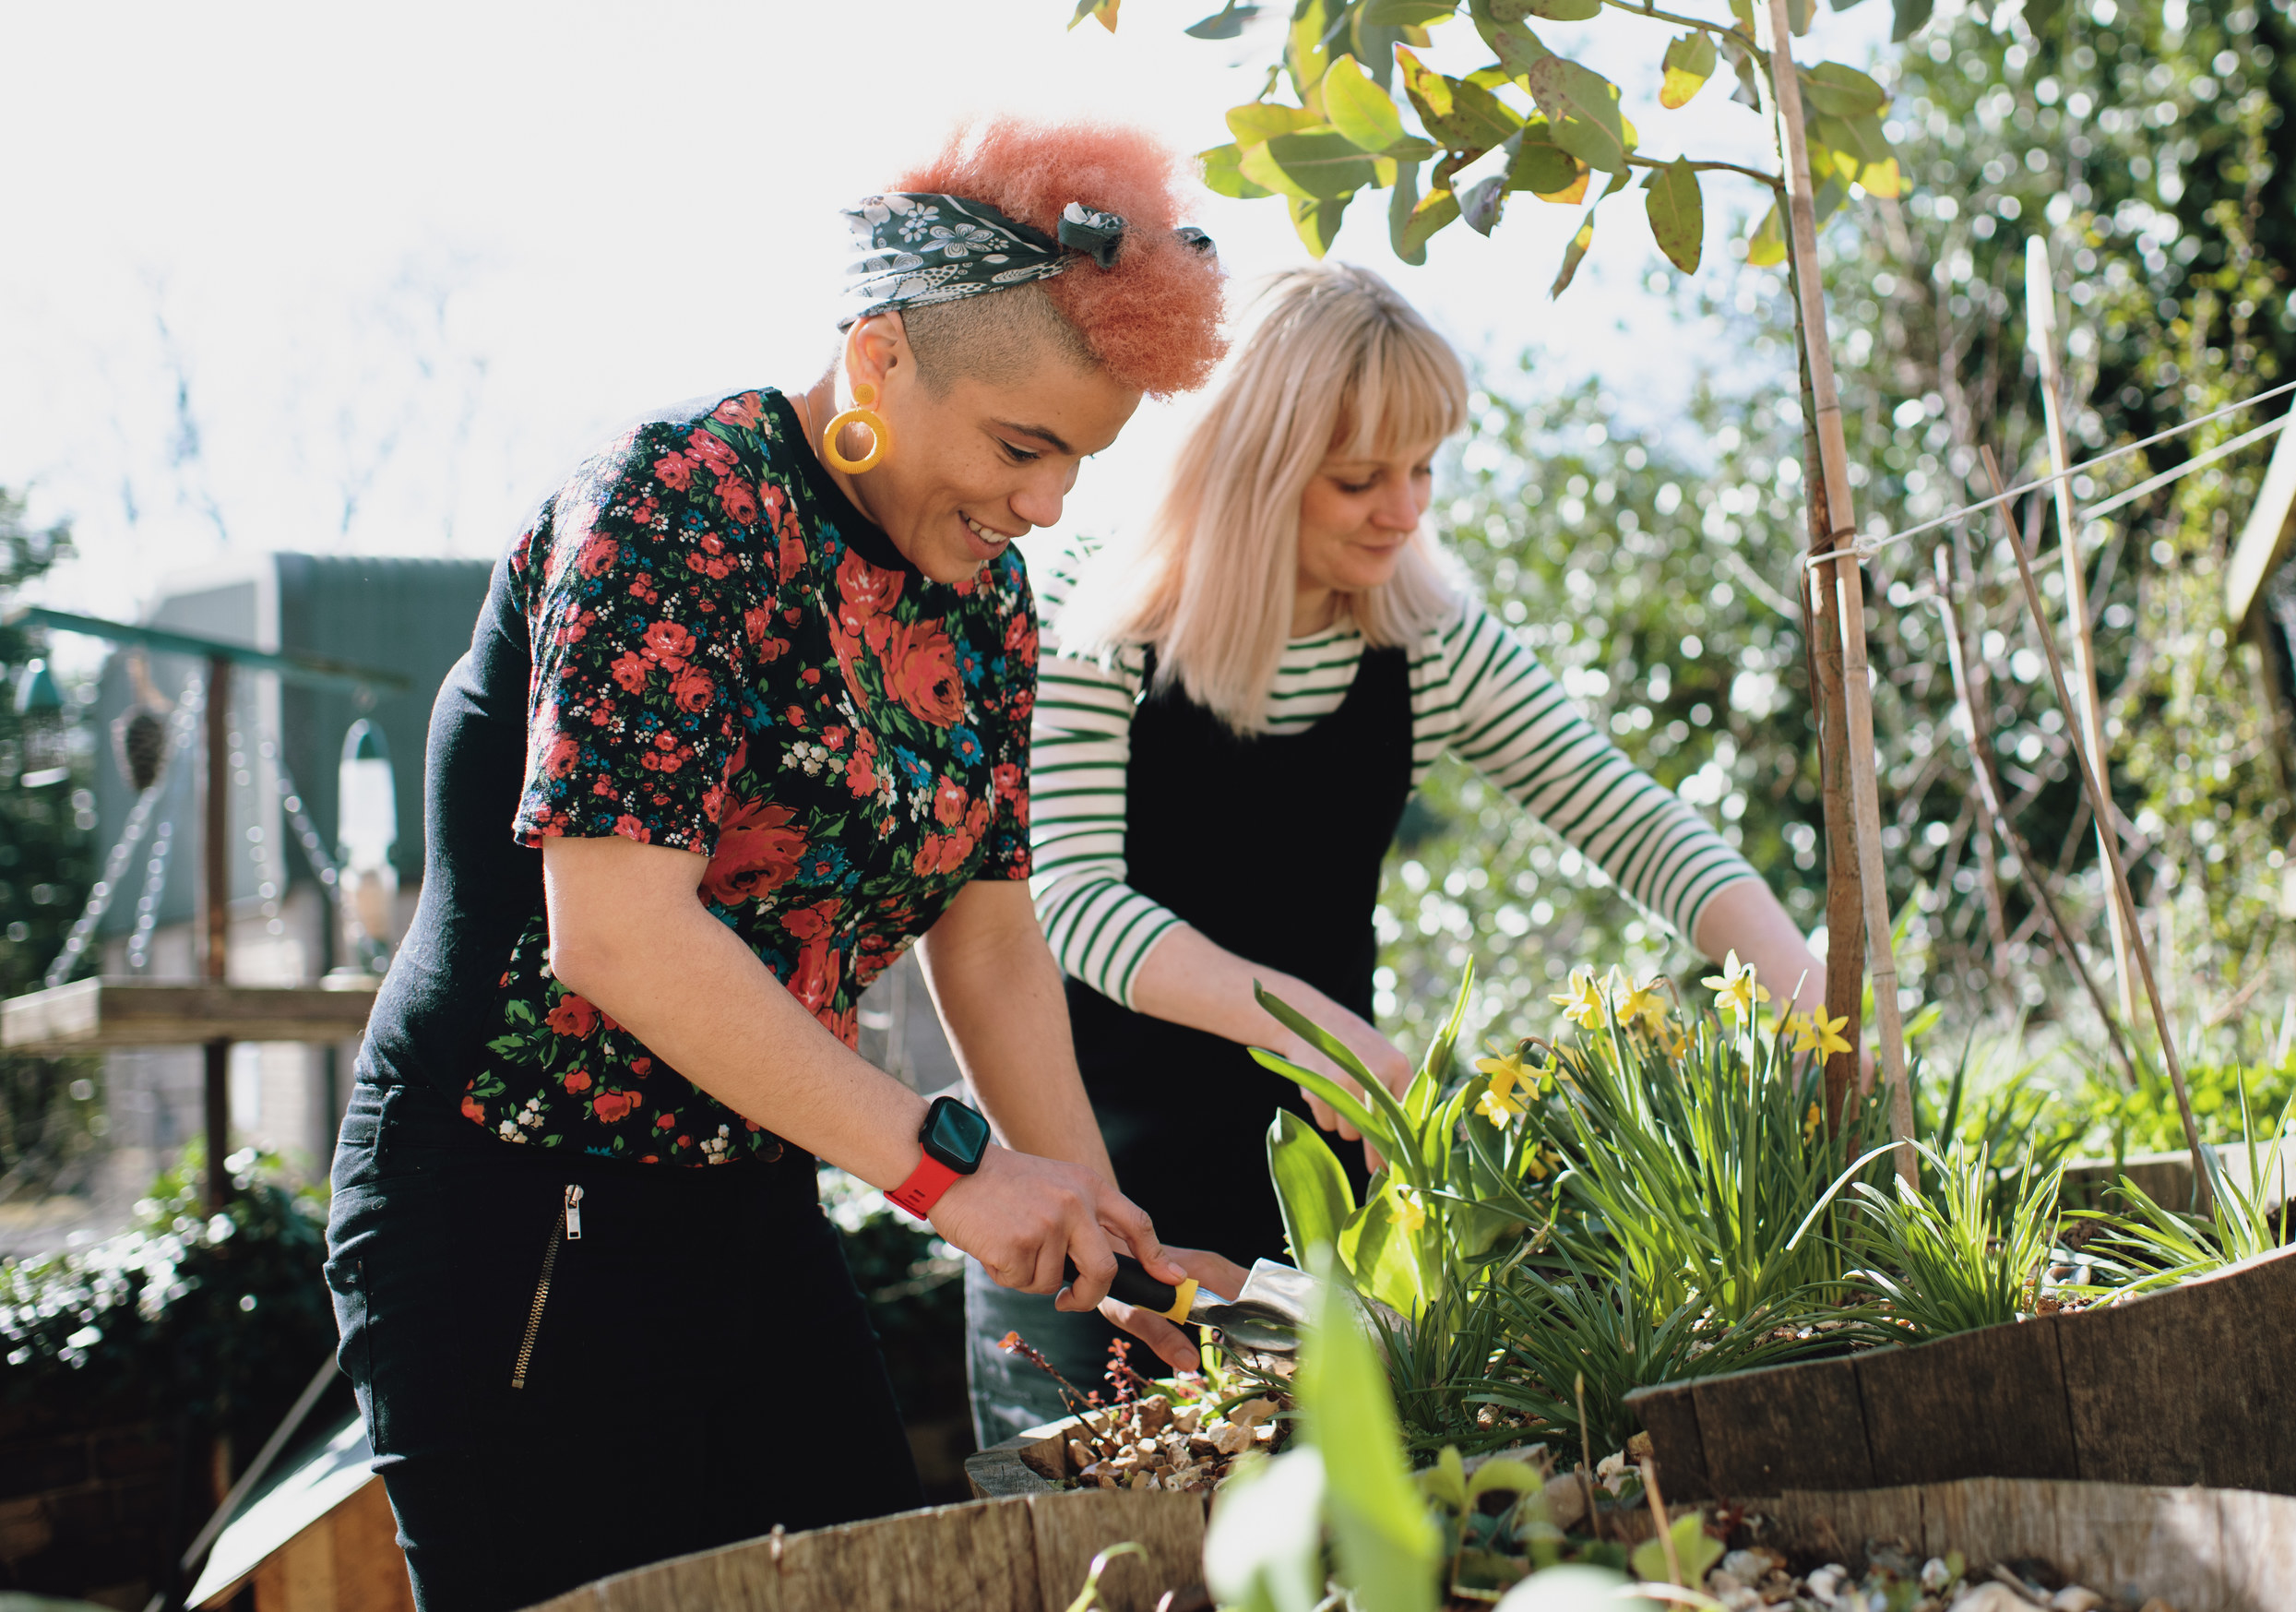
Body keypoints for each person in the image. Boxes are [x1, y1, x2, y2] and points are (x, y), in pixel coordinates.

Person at [324, 116, 1243, 1611]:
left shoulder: (986, 598)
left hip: (745, 1194)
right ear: (880, 361)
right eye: (1023, 446)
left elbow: (992, 928)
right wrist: (953, 1176)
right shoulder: (675, 504)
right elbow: (616, 933)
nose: (1047, 505)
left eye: (1080, 460)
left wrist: (1091, 1211)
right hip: (512, 1208)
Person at [966, 263, 1826, 1441]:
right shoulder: (1093, 618)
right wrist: (1330, 1037)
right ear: (1252, 476)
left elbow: (1636, 822)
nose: (1406, 509)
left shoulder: (1424, 639)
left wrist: (1819, 995)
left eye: (1423, 468)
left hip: (1333, 1207)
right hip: (1090, 1195)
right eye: (1360, 478)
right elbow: (1070, 901)